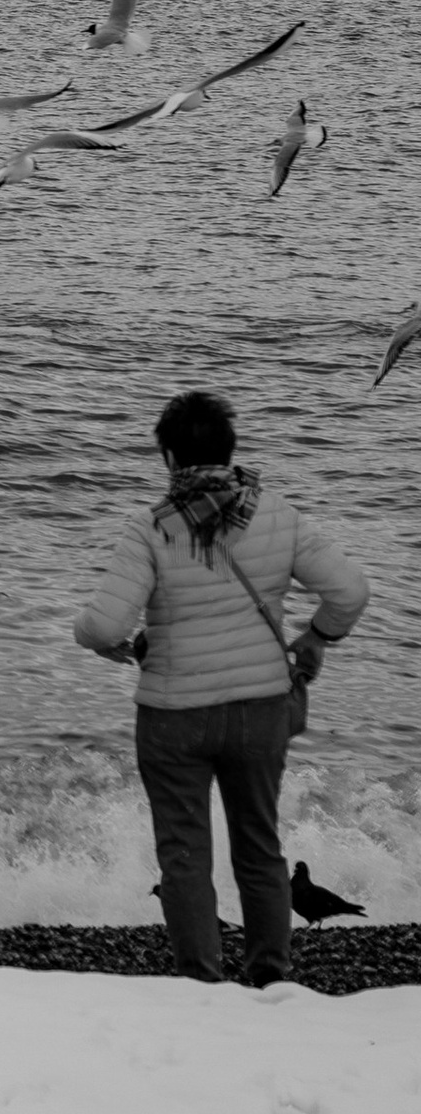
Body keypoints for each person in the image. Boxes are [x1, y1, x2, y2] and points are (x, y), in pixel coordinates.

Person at [74, 389, 367, 985]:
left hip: (173, 715)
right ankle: (270, 980)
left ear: (168, 458)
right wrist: (315, 637)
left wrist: (108, 644)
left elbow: (102, 626)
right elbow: (350, 591)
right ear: (230, 452)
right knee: (260, 847)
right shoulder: (278, 515)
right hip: (259, 712)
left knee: (184, 855)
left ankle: (200, 985)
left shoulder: (151, 529)